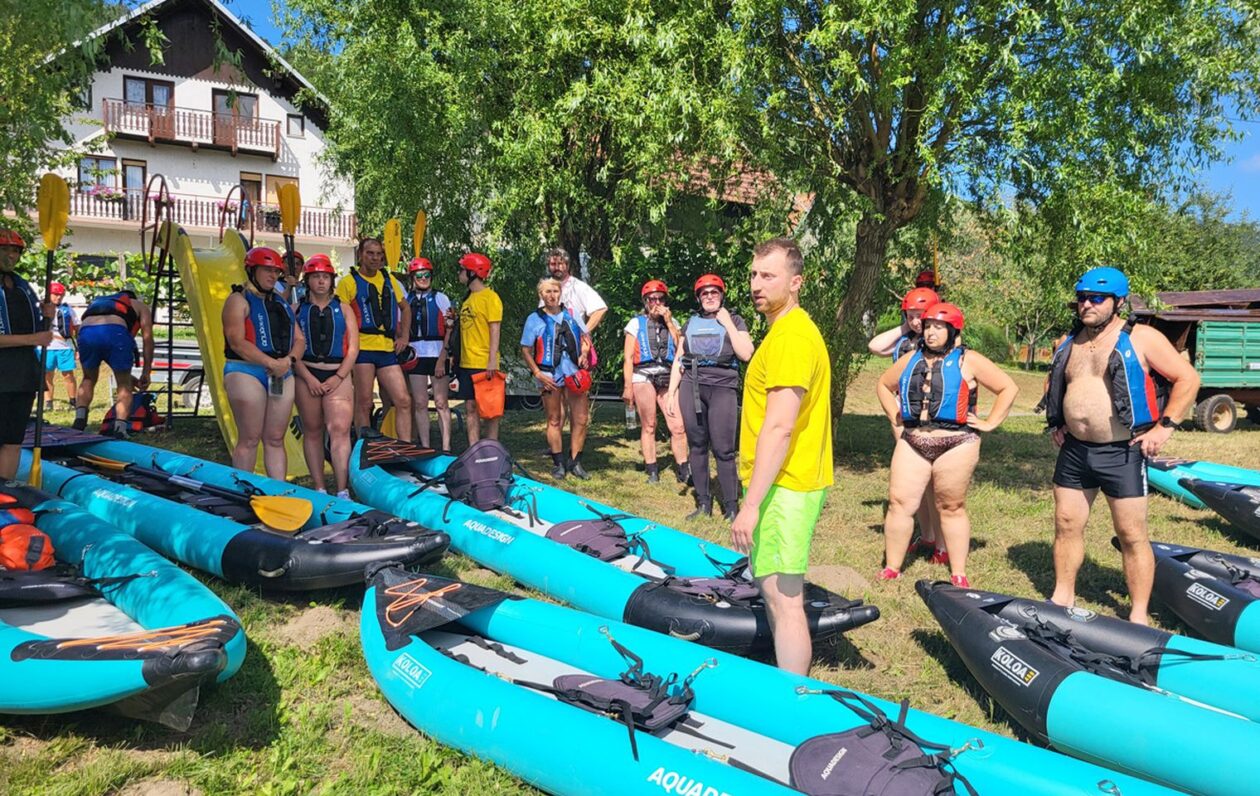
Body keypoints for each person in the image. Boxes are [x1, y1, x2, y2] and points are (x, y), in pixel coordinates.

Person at [1045, 267, 1199, 625]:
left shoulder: (1142, 337)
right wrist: (1058, 422)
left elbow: (1188, 379)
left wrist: (1165, 428)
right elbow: (1058, 383)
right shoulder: (1070, 340)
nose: (1087, 304)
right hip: (1075, 450)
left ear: (1117, 302)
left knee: (1131, 534)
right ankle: (1061, 596)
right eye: (1082, 298)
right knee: (1066, 524)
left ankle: (1139, 614)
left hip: (1123, 452)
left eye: (1097, 298)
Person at [732, 237, 830, 675]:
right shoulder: (783, 331)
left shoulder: (791, 337)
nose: (756, 284)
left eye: (767, 275)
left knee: (784, 598)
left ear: (796, 282)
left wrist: (750, 505)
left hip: (787, 484)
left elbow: (780, 425)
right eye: (753, 274)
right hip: (780, 481)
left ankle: (793, 700)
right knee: (774, 591)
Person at [875, 302, 1019, 587]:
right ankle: (892, 567)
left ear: (953, 331)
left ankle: (958, 572)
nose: (931, 333)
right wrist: (895, 414)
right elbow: (883, 384)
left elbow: (1008, 387)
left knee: (951, 506)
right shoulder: (911, 359)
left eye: (938, 328)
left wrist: (990, 422)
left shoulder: (970, 360)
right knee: (899, 503)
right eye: (928, 327)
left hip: (957, 442)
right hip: (914, 439)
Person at [868, 286, 947, 564]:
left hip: (932, 422)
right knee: (915, 485)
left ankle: (942, 542)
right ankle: (925, 535)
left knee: (935, 486)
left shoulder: (943, 343)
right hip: (904, 419)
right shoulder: (904, 341)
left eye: (921, 316)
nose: (916, 321)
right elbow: (874, 346)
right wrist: (905, 326)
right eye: (911, 316)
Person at [665, 274, 753, 520]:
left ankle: (731, 507)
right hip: (692, 387)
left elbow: (746, 353)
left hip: (723, 388)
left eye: (714, 292)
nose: (710, 296)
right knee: (697, 446)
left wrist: (727, 323)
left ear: (722, 295)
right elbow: (679, 360)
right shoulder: (690, 323)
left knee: (724, 450)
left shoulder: (734, 319)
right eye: (705, 293)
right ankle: (704, 503)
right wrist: (671, 392)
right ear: (699, 297)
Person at [222, 246, 304, 479]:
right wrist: (271, 362)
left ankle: (278, 492)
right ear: (252, 270)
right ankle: (241, 492)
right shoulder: (238, 300)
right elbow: (237, 342)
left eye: (275, 271)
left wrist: (288, 361)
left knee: (276, 438)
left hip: (281, 371)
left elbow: (299, 339)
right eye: (266, 270)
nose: (272, 276)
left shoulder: (280, 302)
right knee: (249, 438)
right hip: (246, 371)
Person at [293, 254, 358, 497]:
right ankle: (319, 487)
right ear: (307, 280)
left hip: (337, 374)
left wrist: (339, 377)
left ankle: (342, 489)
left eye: (325, 277)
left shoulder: (343, 309)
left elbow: (353, 348)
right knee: (312, 430)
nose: (321, 281)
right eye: (316, 277)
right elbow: (292, 349)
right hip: (305, 373)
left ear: (331, 280)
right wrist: (308, 378)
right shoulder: (296, 309)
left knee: (340, 430)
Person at [336, 238, 412, 441]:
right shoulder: (348, 282)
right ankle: (364, 448)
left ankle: (406, 448)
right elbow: (339, 315)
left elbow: (405, 307)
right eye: (370, 253)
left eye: (379, 254)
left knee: (403, 400)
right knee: (365, 402)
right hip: (362, 349)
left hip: (387, 349)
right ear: (361, 254)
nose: (375, 258)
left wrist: (404, 336)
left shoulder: (389, 280)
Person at [522, 277, 593, 479]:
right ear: (541, 295)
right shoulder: (534, 319)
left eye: (555, 291)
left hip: (573, 373)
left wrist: (584, 354)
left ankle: (576, 461)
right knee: (554, 418)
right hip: (548, 374)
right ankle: (559, 463)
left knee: (580, 418)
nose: (552, 295)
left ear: (560, 293)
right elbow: (526, 350)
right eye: (547, 292)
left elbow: (585, 339)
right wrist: (537, 373)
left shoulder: (571, 315)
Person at [622, 280, 689, 484]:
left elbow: (682, 349)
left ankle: (683, 468)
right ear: (645, 301)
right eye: (652, 299)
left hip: (667, 375)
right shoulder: (635, 323)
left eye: (660, 298)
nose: (656, 302)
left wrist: (669, 322)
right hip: (642, 375)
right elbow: (627, 358)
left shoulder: (673, 322)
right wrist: (627, 388)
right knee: (649, 424)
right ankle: (652, 468)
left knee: (678, 426)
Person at [0, 229, 51, 480]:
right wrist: (33, 339)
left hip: (22, 374)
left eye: (15, 251)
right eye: (5, 250)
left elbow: (37, 330)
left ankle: (4, 492)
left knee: (13, 439)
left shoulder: (21, 286)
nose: (11, 256)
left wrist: (48, 316)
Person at [73, 286, 154, 437]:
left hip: (86, 332)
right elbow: (148, 338)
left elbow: (106, 353)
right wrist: (146, 371)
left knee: (88, 378)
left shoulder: (100, 303)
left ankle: (79, 420)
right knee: (123, 384)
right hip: (115, 332)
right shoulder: (139, 305)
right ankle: (120, 428)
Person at [451, 252, 503, 444]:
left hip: (483, 362)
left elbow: (494, 329)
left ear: (472, 273)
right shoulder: (467, 299)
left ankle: (491, 446)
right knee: (470, 407)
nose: (460, 273)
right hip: (466, 361)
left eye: (462, 270)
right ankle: (474, 447)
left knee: (490, 409)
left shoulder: (490, 298)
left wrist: (492, 359)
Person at [404, 257, 453, 452]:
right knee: (420, 403)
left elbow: (449, 328)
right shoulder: (406, 300)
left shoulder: (441, 298)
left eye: (426, 275)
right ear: (412, 277)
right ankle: (425, 447)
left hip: (437, 352)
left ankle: (446, 447)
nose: (423, 278)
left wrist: (443, 357)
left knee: (441, 402)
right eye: (419, 275)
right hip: (415, 354)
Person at [544, 247, 608, 333]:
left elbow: (600, 309)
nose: (556, 267)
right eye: (553, 264)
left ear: (567, 265)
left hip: (573, 343)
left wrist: (583, 334)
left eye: (560, 263)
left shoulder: (578, 287)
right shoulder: (546, 288)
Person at [40, 282, 78, 410]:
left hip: (65, 347)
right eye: (55, 294)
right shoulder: (40, 308)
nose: (58, 297)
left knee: (68, 374)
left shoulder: (68, 309)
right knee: (47, 374)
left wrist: (79, 347)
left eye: (61, 295)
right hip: (47, 347)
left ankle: (73, 401)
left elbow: (77, 327)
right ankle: (48, 402)